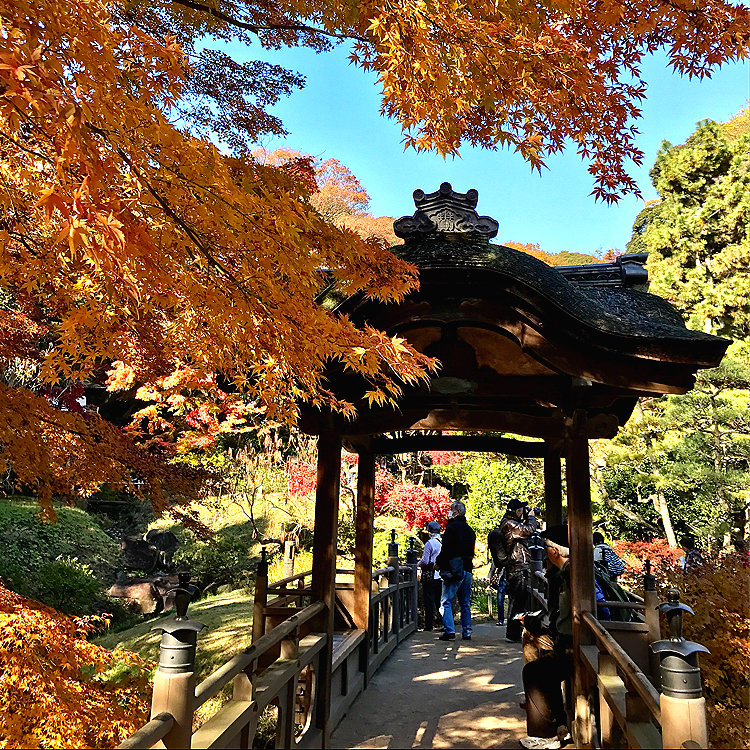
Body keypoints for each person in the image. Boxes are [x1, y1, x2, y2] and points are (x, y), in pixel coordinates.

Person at [520, 524, 573, 750]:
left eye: (546, 546)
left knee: (535, 672)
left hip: (574, 645)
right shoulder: (568, 571)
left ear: (555, 551)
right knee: (539, 660)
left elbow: (558, 618)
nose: (544, 550)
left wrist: (532, 622)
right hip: (571, 640)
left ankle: (546, 732)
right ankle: (557, 722)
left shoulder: (569, 574)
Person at [435, 500, 476, 641]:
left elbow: (446, 549)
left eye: (451, 509)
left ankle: (449, 630)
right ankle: (467, 631)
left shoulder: (451, 528)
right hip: (467, 568)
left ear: (456, 512)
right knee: (465, 602)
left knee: (445, 601)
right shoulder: (470, 530)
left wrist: (439, 563)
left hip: (454, 569)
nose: (449, 512)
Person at [499, 498, 539, 642]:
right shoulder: (509, 524)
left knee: (518, 602)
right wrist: (532, 518)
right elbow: (528, 530)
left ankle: (514, 633)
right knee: (517, 602)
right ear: (517, 511)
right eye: (522, 510)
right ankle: (512, 634)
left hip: (517, 567)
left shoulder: (510, 523)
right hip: (517, 567)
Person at [417, 520, 443, 630]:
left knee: (429, 600)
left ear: (429, 532)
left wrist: (416, 565)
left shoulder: (429, 543)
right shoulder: (442, 542)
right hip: (440, 575)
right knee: (439, 600)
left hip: (429, 574)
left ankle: (429, 625)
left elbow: (425, 561)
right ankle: (444, 623)